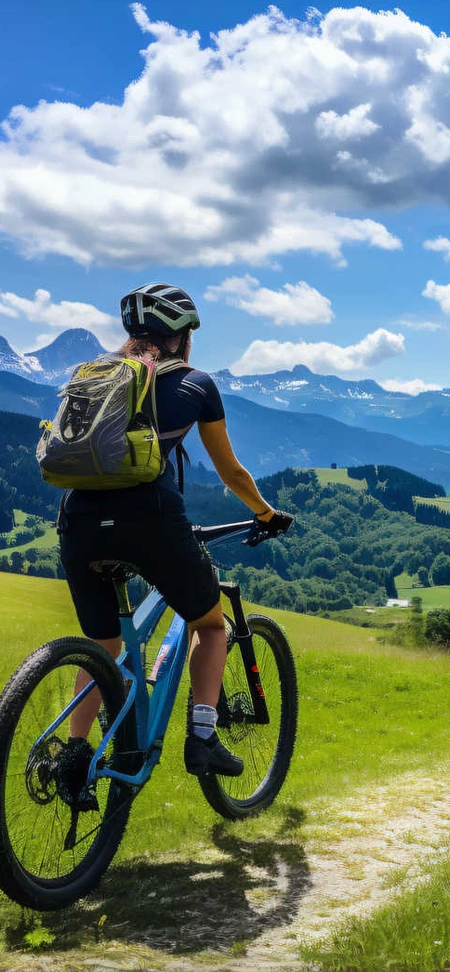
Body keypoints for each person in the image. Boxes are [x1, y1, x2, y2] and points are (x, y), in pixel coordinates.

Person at [56, 283, 293, 797]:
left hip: (76, 523)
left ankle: (75, 757)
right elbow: (229, 471)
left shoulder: (92, 378)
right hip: (150, 522)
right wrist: (265, 513)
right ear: (181, 337)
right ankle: (203, 738)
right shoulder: (197, 384)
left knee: (104, 647)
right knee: (209, 625)